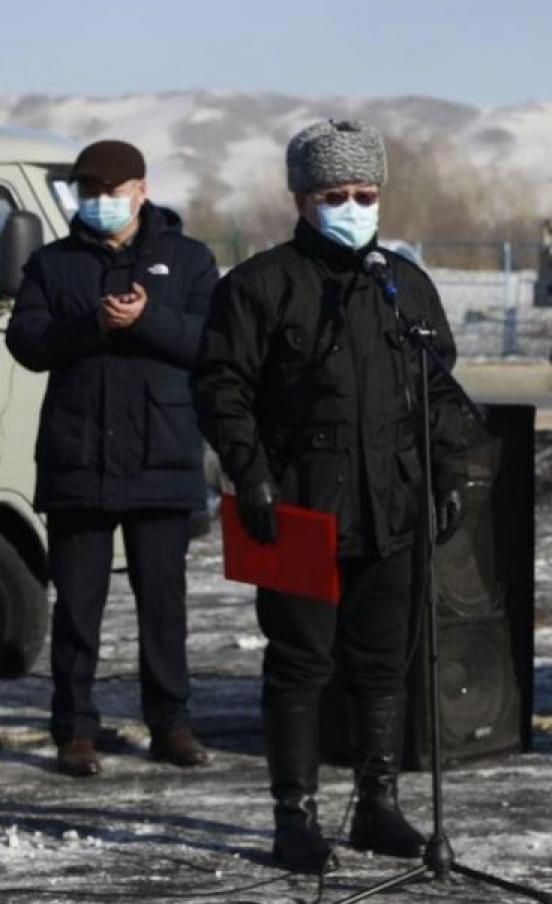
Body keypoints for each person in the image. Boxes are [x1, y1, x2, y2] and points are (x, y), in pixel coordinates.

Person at [192, 120, 466, 873]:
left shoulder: (403, 285)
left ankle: (377, 805)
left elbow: (437, 390)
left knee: (383, 664)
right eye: (334, 195)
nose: (352, 206)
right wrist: (248, 470)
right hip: (297, 505)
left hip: (393, 509)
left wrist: (446, 473)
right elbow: (221, 388)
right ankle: (296, 816)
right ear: (301, 198)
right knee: (301, 664)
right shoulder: (260, 284)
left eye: (365, 193)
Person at [7, 140, 217, 777]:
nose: (101, 201)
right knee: (78, 607)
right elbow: (28, 342)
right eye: (89, 191)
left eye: (113, 190)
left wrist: (147, 321)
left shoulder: (188, 260)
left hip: (162, 461)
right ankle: (75, 728)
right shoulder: (52, 264)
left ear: (141, 190)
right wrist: (94, 325)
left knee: (164, 608)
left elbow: (212, 341)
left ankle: (171, 725)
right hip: (79, 463)